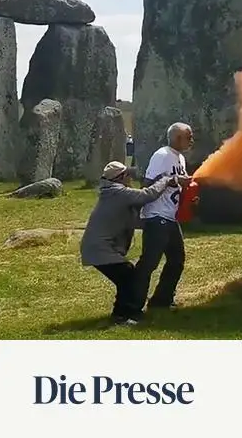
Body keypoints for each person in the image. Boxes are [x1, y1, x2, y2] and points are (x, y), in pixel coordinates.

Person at [80, 161, 179, 325]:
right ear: (121, 178)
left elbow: (134, 222)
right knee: (128, 277)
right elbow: (148, 195)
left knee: (126, 277)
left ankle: (121, 314)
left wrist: (156, 221)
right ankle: (122, 316)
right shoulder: (118, 192)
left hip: (97, 247)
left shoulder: (113, 193)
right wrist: (167, 179)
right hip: (100, 249)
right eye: (128, 175)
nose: (130, 178)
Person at [134, 122, 196, 314]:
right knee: (149, 263)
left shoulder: (181, 159)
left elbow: (176, 186)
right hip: (156, 216)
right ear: (177, 138)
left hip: (170, 217)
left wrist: (188, 195)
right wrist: (174, 180)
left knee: (177, 259)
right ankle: (131, 305)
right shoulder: (162, 156)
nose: (192, 140)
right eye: (189, 136)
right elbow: (147, 184)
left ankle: (161, 300)